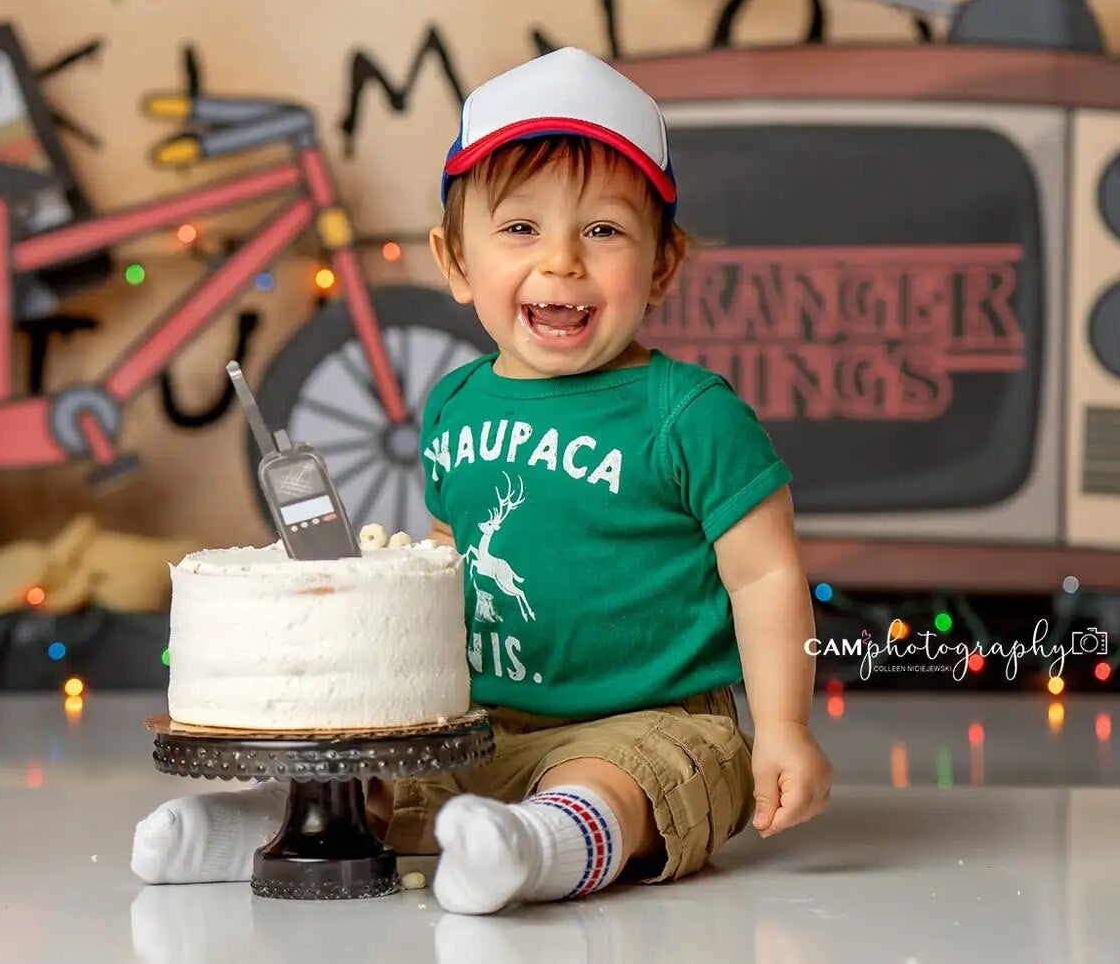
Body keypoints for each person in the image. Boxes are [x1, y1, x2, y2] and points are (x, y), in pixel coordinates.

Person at [133, 46, 832, 913]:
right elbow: (450, 551)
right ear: (456, 260)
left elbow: (765, 573)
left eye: (604, 230)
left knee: (648, 777)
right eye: (520, 228)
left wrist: (787, 727)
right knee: (379, 770)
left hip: (645, 714)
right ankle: (282, 828)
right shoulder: (453, 404)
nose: (563, 260)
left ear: (662, 264)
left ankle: (545, 841)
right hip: (476, 720)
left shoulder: (687, 412)